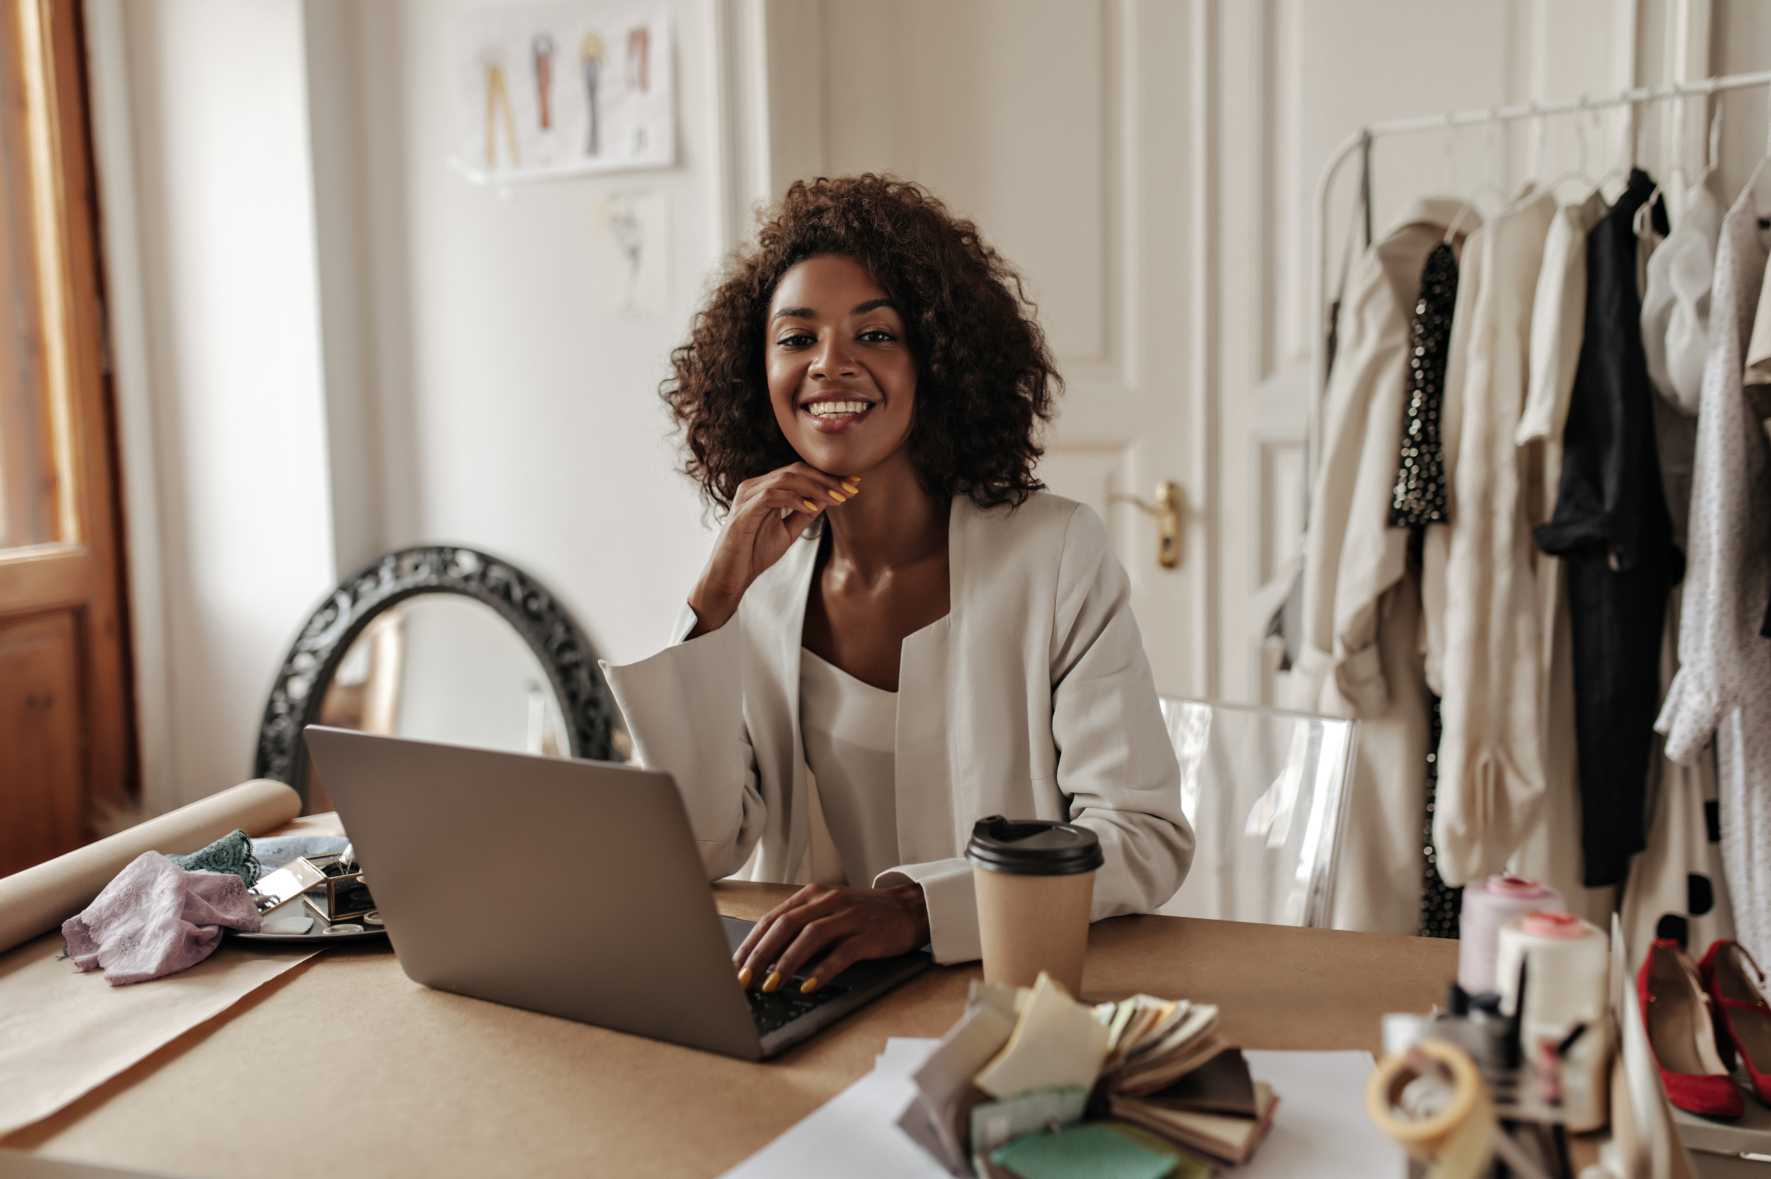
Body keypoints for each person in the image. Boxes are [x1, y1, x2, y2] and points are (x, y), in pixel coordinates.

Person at [602, 175, 1191, 996]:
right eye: (795, 338)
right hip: (811, 1001)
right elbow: (704, 848)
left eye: (874, 334)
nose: (829, 365)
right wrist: (709, 610)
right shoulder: (761, 581)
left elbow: (1142, 834)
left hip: (1009, 996)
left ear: (936, 360)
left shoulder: (1053, 552)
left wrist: (917, 909)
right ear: (757, 369)